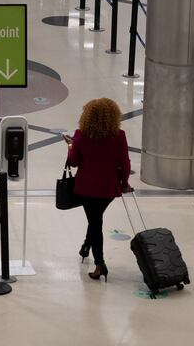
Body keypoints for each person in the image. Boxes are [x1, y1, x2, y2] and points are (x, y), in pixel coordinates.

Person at [63, 98, 131, 282]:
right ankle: (86, 246)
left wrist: (70, 145)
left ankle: (100, 264)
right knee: (95, 218)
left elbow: (74, 162)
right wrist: (124, 182)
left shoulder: (80, 135)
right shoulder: (119, 135)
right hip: (108, 188)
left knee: (95, 222)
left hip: (86, 188)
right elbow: (125, 163)